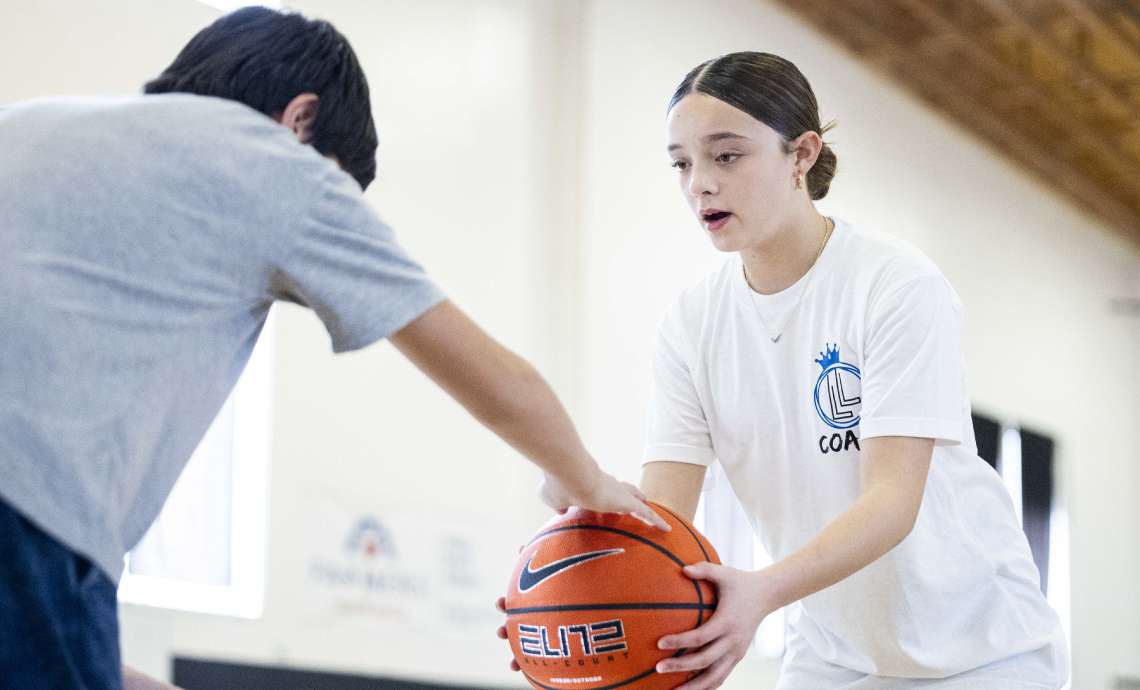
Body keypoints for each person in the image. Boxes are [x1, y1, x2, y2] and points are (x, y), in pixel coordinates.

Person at [0, 8, 665, 690]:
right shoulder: (275, 168)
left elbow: (44, 646)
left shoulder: (28, 125)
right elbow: (494, 380)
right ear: (300, 120)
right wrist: (586, 483)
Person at [633, 52, 1069, 689]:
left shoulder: (895, 284)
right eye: (681, 162)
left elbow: (892, 501)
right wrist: (569, 586)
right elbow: (662, 521)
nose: (699, 183)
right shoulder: (690, 324)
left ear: (802, 155)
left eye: (726, 156)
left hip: (983, 652)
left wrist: (760, 592)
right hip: (834, 657)